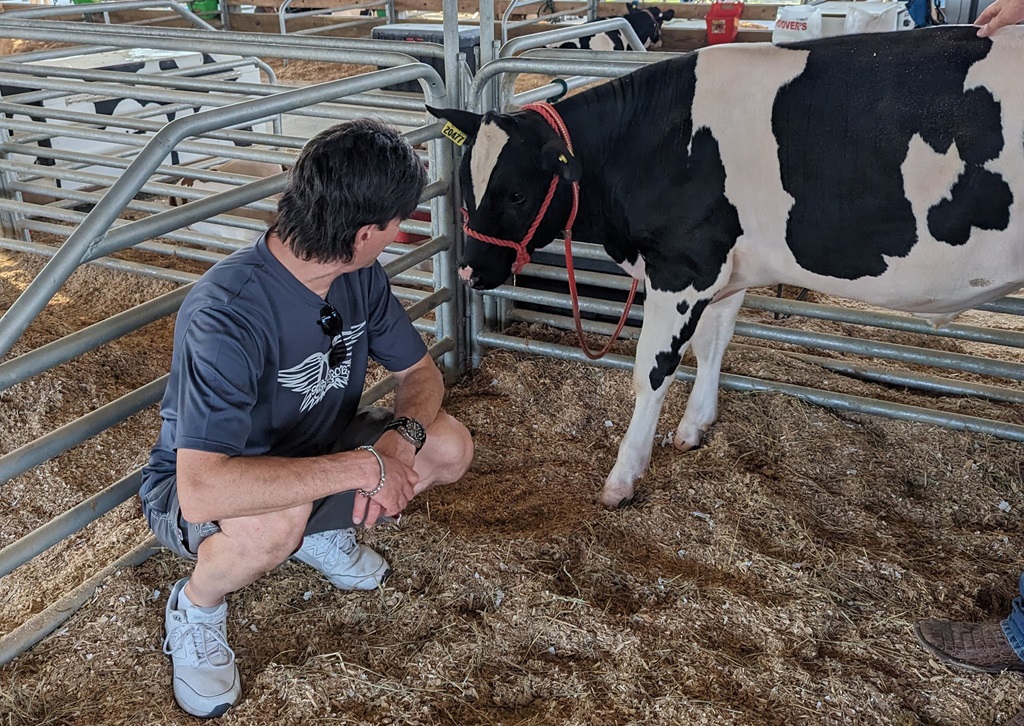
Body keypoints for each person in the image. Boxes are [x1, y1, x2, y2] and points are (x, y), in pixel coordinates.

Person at [139, 119, 474, 718]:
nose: (402, 234)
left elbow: (422, 376)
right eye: (399, 223)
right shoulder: (227, 315)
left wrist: (396, 446)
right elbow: (199, 490)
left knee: (447, 445)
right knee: (276, 519)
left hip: (316, 447)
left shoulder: (359, 274)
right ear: (367, 232)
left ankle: (314, 534)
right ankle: (196, 606)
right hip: (201, 486)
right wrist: (360, 466)